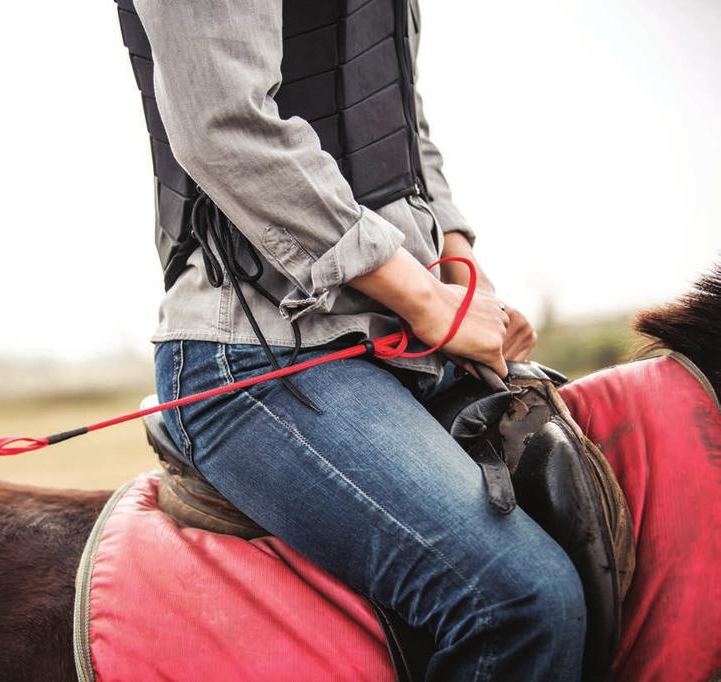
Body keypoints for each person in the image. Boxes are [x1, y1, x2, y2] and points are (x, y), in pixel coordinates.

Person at [116, 1, 586, 679]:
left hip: (409, 331)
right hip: (265, 348)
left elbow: (392, 116)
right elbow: (224, 125)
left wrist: (457, 272)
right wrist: (425, 299)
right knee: (518, 600)